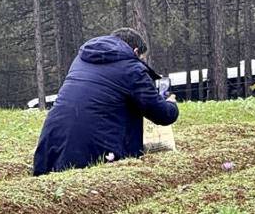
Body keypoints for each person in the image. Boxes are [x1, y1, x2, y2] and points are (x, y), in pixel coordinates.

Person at [33, 27, 179, 176]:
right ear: (135, 52)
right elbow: (162, 114)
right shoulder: (132, 68)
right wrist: (171, 103)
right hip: (91, 150)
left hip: (51, 144)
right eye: (141, 58)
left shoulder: (82, 59)